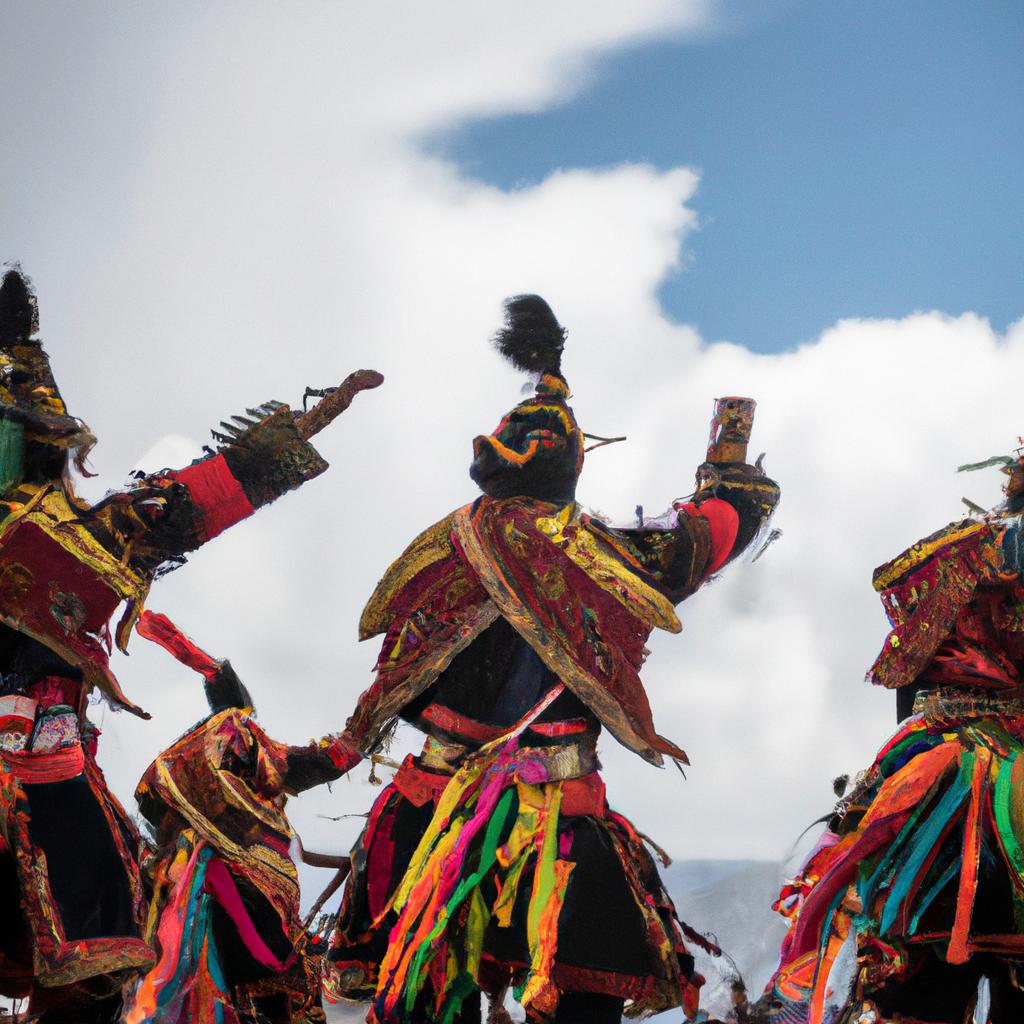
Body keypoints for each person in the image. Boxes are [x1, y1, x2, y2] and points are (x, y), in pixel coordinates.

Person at [324, 295, 780, 1023]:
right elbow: (716, 527)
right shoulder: (603, 558)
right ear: (571, 463)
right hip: (560, 828)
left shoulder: (435, 553)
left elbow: (388, 688)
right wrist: (728, 455)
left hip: (425, 815)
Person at [0, 268, 378, 1022]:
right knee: (99, 908)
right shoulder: (98, 530)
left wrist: (315, 418)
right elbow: (207, 491)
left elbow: (210, 489)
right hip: (44, 760)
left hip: (49, 753)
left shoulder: (99, 529)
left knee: (101, 924)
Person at [759, 449, 1024, 1024]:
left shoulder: (955, 553)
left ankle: (807, 983)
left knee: (855, 850)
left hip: (943, 763)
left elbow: (903, 679)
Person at [122, 614, 359, 1024]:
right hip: (223, 880)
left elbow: (332, 760)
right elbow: (331, 758)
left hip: (238, 881)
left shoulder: (262, 773)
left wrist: (205, 666)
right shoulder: (253, 766)